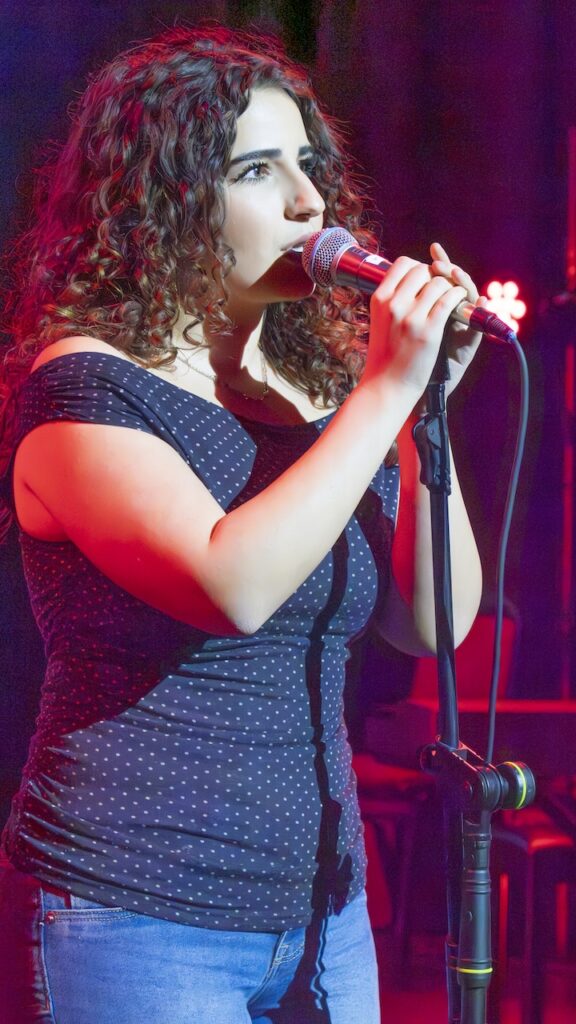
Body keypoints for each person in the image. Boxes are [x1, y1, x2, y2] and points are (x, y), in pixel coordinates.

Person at [0, 24, 483, 1024]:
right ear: (166, 200)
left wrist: (422, 419)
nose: (309, 200)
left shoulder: (319, 394)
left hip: (323, 907)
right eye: (259, 170)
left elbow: (432, 625)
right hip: (135, 909)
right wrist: (383, 393)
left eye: (309, 164)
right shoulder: (84, 392)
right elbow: (233, 585)